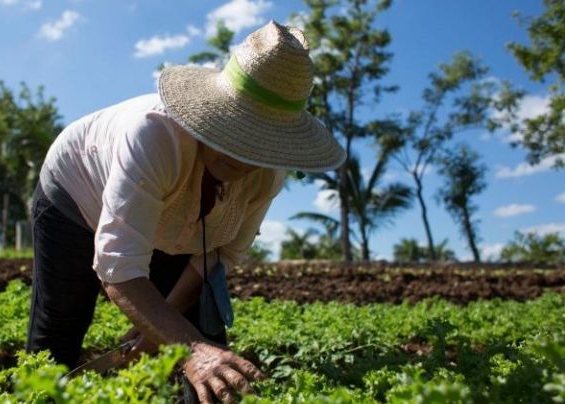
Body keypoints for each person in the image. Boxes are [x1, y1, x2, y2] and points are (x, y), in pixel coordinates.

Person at [26, 20, 346, 403]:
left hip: (169, 224)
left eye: (257, 143)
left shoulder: (267, 177)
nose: (240, 155)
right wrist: (190, 349)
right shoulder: (155, 136)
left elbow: (216, 255)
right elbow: (118, 266)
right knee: (59, 334)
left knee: (213, 369)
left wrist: (163, 330)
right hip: (75, 195)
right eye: (233, 130)